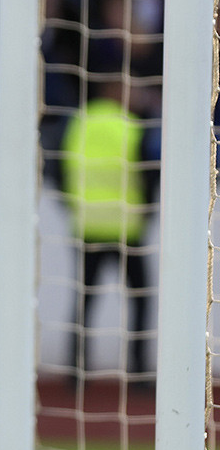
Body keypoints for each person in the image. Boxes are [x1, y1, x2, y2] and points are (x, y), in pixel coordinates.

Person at [58, 79, 158, 377]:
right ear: (116, 91)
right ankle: (138, 371)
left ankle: (75, 371)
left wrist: (74, 206)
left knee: (84, 300)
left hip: (88, 225)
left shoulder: (78, 124)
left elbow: (60, 170)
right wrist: (147, 212)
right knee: (139, 299)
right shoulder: (131, 127)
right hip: (128, 227)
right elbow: (149, 174)